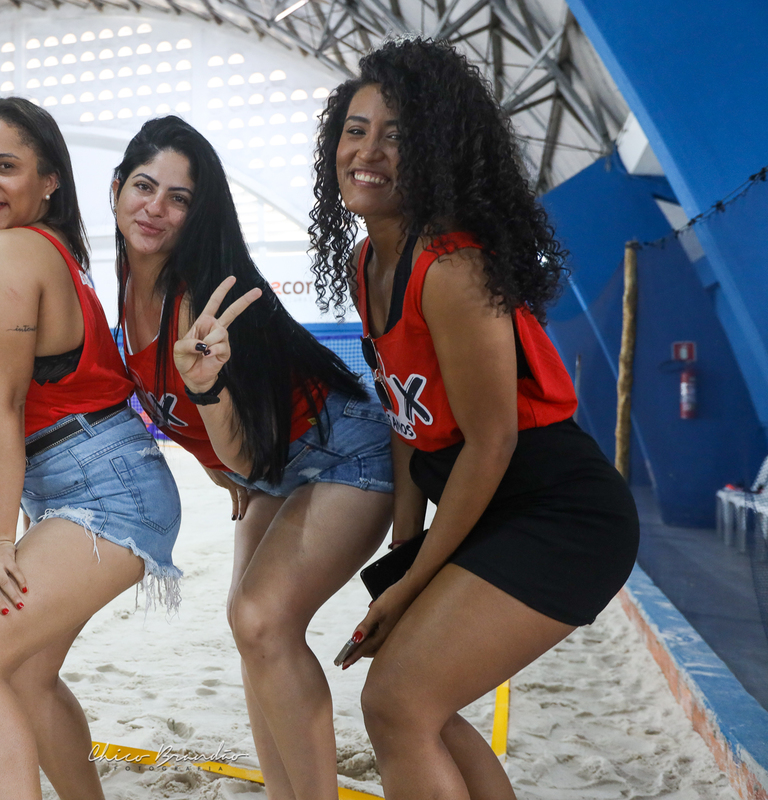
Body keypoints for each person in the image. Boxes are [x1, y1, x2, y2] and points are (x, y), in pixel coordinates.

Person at [313, 39, 641, 799]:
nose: (367, 151)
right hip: (489, 510)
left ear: (436, 152)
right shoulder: (369, 263)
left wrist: (409, 588)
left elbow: (492, 444)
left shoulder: (450, 265)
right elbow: (408, 423)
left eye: (397, 135)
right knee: (420, 710)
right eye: (356, 130)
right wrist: (402, 552)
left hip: (560, 515)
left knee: (397, 703)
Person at [112, 116, 394, 799]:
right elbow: (217, 442)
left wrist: (209, 401)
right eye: (144, 186)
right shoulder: (123, 285)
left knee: (261, 619)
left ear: (198, 212)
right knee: (252, 631)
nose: (155, 208)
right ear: (117, 187)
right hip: (271, 469)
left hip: (343, 452)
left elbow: (240, 446)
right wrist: (213, 464)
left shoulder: (199, 297)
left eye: (179, 198)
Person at [0, 98, 182, 800]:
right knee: (25, 674)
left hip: (102, 483)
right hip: (99, 473)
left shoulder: (9, 251)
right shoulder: (51, 250)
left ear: (49, 182)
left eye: (5, 166)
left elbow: (5, 408)